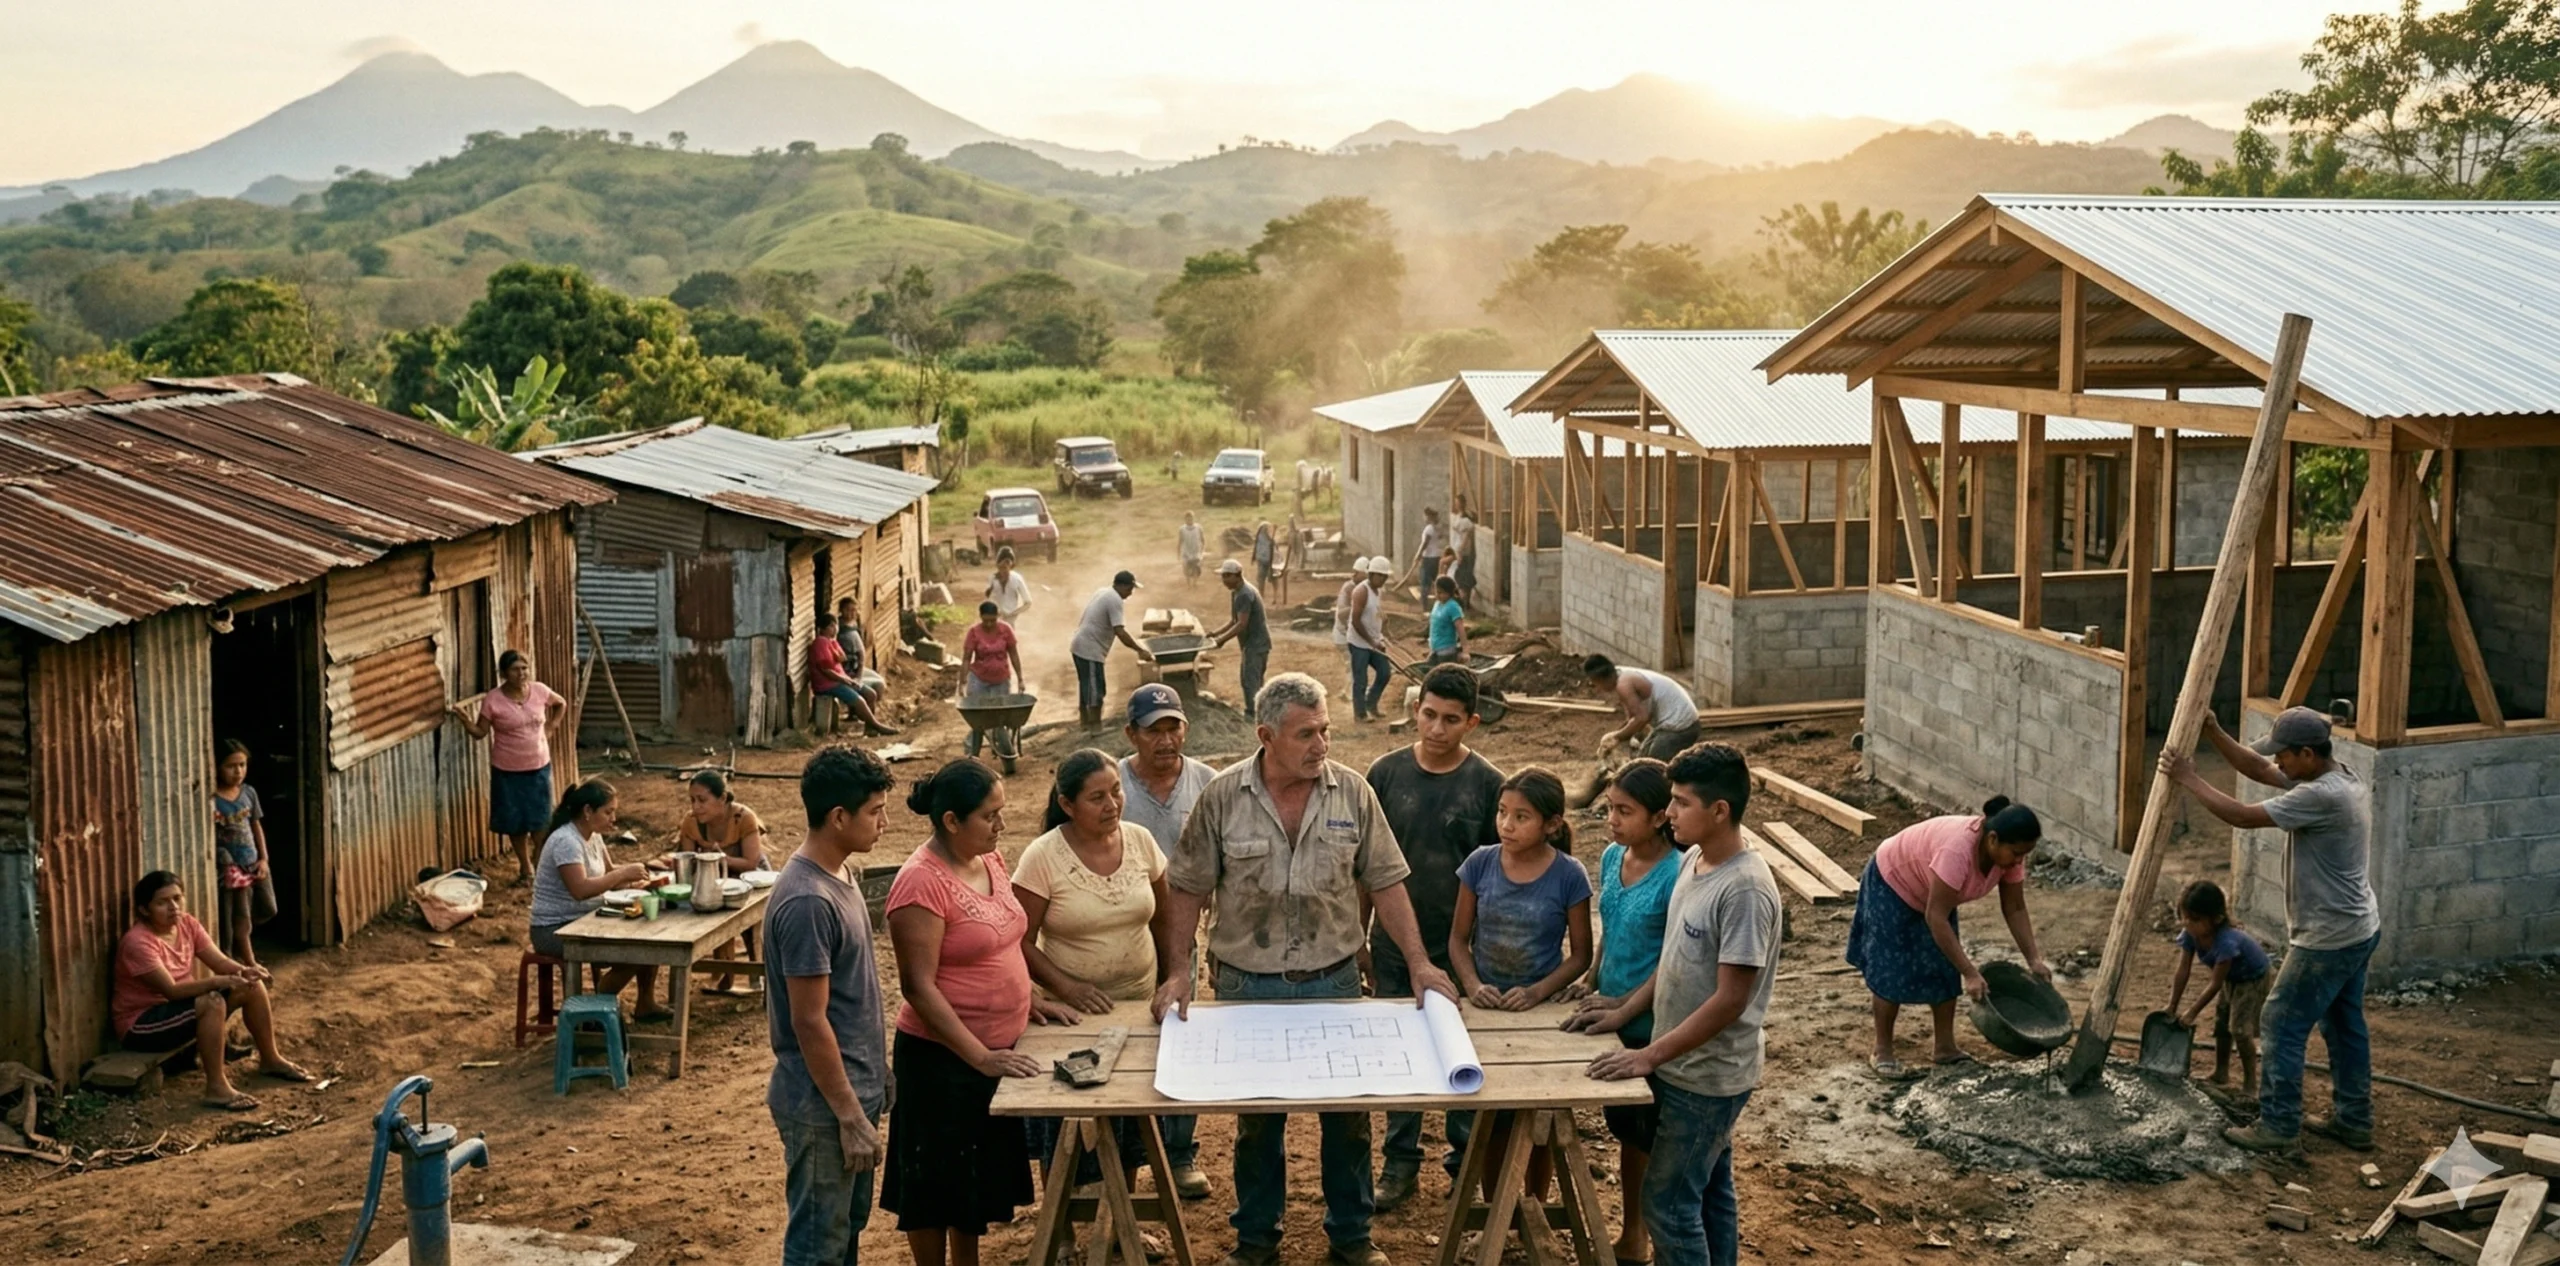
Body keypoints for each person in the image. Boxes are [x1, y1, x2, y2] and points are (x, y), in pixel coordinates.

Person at [1156, 672, 1457, 1266]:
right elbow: (1186, 889)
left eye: (1325, 731)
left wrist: (1419, 963)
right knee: (1257, 1124)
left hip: (1335, 981)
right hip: (1247, 985)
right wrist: (1175, 973)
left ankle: (1352, 1239)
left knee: (1347, 1120)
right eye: (1305, 734)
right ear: (1267, 736)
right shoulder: (1221, 797)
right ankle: (1256, 1242)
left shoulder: (1352, 792)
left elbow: (1388, 881)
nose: (1321, 745)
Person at [1584, 744, 1781, 1266]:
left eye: (1680, 802)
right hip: (1681, 1064)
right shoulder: (1694, 859)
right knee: (1710, 1191)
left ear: (1719, 810)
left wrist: (1649, 1056)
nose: (1669, 813)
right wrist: (1624, 1013)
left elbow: (1730, 1000)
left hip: (1707, 1078)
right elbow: (1672, 959)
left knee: (1668, 1205)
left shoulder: (1744, 889)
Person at [883, 759, 1082, 1266]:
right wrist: (979, 1056)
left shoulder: (988, 861)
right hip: (941, 1060)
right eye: (989, 816)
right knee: (933, 1187)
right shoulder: (919, 884)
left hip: (992, 1052)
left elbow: (1003, 942)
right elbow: (919, 988)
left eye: (1002, 813)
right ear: (951, 821)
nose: (1001, 824)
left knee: (967, 1182)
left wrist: (1028, 999)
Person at [2160, 706, 2378, 1155]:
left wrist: (2188, 778)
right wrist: (2215, 731)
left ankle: (2278, 1127)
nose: (2277, 762)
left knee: (2279, 1021)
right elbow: (2258, 766)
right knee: (2343, 1025)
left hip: (2328, 937)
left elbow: (2240, 814)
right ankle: (2353, 1121)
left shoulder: (2321, 797)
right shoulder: (2339, 776)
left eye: (2285, 755)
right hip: (2358, 926)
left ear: (2307, 754)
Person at [1364, 663, 1503, 1211]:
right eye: (1428, 715)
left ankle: (1463, 1168)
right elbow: (1363, 866)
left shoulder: (1490, 786)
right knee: (1403, 1057)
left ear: (1471, 721)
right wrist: (1359, 937)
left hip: (1463, 948)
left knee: (1461, 1051)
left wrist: (1475, 954)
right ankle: (1399, 1167)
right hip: (1394, 944)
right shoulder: (1385, 775)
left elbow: (1501, 871)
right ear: (1415, 710)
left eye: (1451, 719)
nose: (1437, 729)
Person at [1016, 751, 1177, 1217]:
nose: (1113, 804)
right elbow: (1018, 940)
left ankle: (1119, 1219)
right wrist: (1066, 987)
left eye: (1116, 791)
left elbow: (1165, 920)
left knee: (1128, 1122)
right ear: (1067, 805)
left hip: (1139, 1006)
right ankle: (1061, 1230)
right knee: (1064, 1125)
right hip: (1070, 1017)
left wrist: (1170, 980)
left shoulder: (1142, 841)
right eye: (1097, 797)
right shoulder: (1042, 857)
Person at [767, 745, 899, 1266]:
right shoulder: (807, 901)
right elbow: (809, 1019)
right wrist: (847, 1114)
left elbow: (852, 995)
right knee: (817, 1246)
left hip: (852, 1091)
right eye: (875, 811)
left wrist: (875, 1072)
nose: (884, 823)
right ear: (838, 817)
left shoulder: (842, 876)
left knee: (844, 1234)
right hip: (822, 1107)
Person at [1447, 767, 1591, 1204]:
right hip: (1487, 1012)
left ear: (1552, 825)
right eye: (1502, 812)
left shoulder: (1569, 875)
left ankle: (1535, 1208)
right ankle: (1496, 1213)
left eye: (1521, 817)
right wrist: (1472, 984)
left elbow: (1581, 954)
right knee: (1494, 1120)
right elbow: (1457, 939)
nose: (1507, 825)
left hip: (1540, 1016)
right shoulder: (1481, 863)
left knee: (1540, 1119)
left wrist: (1537, 992)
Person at [1562, 759, 1682, 1266]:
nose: (1612, 819)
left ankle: (1647, 1237)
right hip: (1610, 1012)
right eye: (1610, 808)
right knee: (1626, 1134)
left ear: (1660, 817)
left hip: (1653, 1023)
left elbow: (1673, 962)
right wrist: (1591, 982)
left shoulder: (1679, 872)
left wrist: (1624, 1008)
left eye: (1624, 811)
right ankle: (1633, 1233)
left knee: (1651, 1141)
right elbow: (1611, 926)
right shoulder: (1613, 857)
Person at [1845, 796, 2049, 1078]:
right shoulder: (1957, 852)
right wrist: (1970, 973)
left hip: (1934, 895)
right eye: (2016, 853)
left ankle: (1945, 1048)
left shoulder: (2009, 857)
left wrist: (2034, 959)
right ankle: (1883, 1050)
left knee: (1943, 967)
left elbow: (2014, 907)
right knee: (1890, 970)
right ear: (1992, 840)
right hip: (1892, 882)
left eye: (2024, 854)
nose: (2019, 860)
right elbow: (1935, 916)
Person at [1114, 684, 1216, 1198]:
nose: (1166, 739)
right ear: (1131, 733)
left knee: (1181, 1036)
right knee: (1125, 1039)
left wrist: (1215, 937)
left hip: (1182, 935)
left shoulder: (1208, 784)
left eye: (1173, 727)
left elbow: (1227, 869)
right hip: (1122, 934)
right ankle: (1122, 1156)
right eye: (1154, 729)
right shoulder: (1113, 785)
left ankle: (1179, 1155)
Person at [114, 870, 311, 1111]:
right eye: (162, 902)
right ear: (145, 910)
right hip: (143, 1023)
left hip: (178, 1009)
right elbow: (172, 991)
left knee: (251, 985)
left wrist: (245, 971)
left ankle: (270, 1059)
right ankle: (216, 1088)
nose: (173, 907)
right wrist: (220, 981)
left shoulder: (186, 923)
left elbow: (218, 962)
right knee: (212, 1002)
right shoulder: (138, 943)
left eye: (177, 898)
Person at [529, 779, 665, 1020]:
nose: (614, 818)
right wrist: (622, 874)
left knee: (649, 936)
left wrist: (642, 879)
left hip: (586, 919)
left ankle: (645, 1003)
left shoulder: (593, 835)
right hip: (554, 929)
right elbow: (580, 890)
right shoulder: (566, 841)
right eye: (608, 812)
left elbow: (610, 876)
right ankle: (592, 1007)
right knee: (637, 952)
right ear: (588, 811)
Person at [450, 649, 567, 883]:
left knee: (541, 819)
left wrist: (552, 727)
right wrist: (465, 721)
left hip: (539, 766)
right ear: (504, 673)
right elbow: (480, 733)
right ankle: (525, 868)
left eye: (524, 668)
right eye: (515, 669)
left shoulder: (540, 691)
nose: (521, 673)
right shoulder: (493, 700)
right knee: (516, 822)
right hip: (507, 771)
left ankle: (539, 862)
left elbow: (561, 703)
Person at [2166, 879, 2270, 1107]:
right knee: (2222, 1026)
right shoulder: (2190, 934)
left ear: (2216, 919)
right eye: (2184, 917)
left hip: (2251, 979)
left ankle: (2250, 1085)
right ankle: (2221, 1073)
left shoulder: (2226, 942)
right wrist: (2172, 1005)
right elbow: (2183, 970)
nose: (2187, 924)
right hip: (2231, 979)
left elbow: (2214, 983)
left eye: (2195, 919)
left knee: (2240, 1031)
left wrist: (2192, 1012)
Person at [666, 770, 767, 996]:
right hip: (713, 877)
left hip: (749, 877)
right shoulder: (692, 822)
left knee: (750, 926)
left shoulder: (744, 818)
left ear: (722, 799)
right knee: (709, 915)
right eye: (692, 800)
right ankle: (724, 975)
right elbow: (688, 861)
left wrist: (721, 858)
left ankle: (756, 972)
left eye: (702, 800)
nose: (696, 807)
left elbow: (751, 862)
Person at [212, 738, 270, 970]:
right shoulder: (212, 798)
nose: (238, 771)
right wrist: (224, 861)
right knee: (241, 916)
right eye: (231, 766)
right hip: (234, 869)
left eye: (242, 765)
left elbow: (256, 826)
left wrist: (264, 858)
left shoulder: (248, 793)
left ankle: (241, 947)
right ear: (217, 766)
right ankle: (248, 960)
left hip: (253, 861)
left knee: (267, 907)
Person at [1070, 571, 1151, 729]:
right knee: (1095, 689)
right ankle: (1095, 726)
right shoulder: (1114, 599)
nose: (1130, 593)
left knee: (1087, 686)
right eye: (1129, 589)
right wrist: (1140, 650)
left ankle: (1085, 724)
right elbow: (1120, 631)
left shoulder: (1103, 592)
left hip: (1080, 645)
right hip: (1089, 648)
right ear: (1121, 586)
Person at [1584, 655, 1701, 762]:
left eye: (1595, 684)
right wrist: (1620, 735)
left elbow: (1642, 718)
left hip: (1681, 727)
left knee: (1652, 767)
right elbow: (1633, 718)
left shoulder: (1624, 685)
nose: (1597, 688)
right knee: (1641, 760)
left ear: (1600, 679)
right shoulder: (1620, 675)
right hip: (1670, 725)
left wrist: (1616, 737)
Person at [813, 614, 898, 737]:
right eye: (832, 626)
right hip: (828, 683)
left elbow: (842, 658)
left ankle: (870, 729)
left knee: (871, 694)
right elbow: (826, 670)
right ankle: (877, 726)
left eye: (835, 625)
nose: (835, 628)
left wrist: (846, 678)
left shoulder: (831, 642)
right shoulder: (820, 643)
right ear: (826, 627)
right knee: (860, 701)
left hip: (840, 679)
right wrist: (845, 680)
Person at [959, 602, 1024, 758]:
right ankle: (974, 753)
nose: (989, 624)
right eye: (985, 620)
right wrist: (962, 682)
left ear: (997, 617)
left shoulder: (1005, 630)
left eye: (992, 620)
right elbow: (967, 659)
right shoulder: (974, 632)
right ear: (981, 617)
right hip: (979, 679)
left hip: (1001, 679)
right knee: (978, 719)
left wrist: (1020, 678)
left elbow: (1014, 654)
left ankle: (1003, 747)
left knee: (1000, 717)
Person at [1208, 559, 1272, 710]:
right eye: (1223, 576)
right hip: (1254, 644)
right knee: (1253, 681)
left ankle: (1253, 715)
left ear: (1237, 575)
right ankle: (1258, 712)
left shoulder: (1244, 594)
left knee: (1250, 683)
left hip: (1255, 644)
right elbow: (1234, 620)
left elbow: (1241, 624)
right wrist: (1215, 633)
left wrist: (1221, 640)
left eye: (1227, 576)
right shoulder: (1237, 592)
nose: (1223, 580)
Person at [1343, 556, 1401, 723]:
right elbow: (1355, 621)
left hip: (1374, 641)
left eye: (1385, 577)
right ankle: (1360, 714)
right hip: (1359, 642)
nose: (1383, 580)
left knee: (1384, 673)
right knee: (1360, 679)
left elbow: (1375, 613)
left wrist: (1382, 632)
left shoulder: (1378, 591)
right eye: (1381, 576)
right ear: (1372, 574)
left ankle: (1370, 703)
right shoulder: (1361, 591)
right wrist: (1371, 642)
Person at [1397, 508, 1446, 601]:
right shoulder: (1436, 528)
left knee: (1425, 581)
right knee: (1436, 579)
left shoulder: (1429, 529)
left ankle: (1424, 603)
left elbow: (1425, 543)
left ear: (1428, 517)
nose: (1423, 518)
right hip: (1436, 557)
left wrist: (1418, 554)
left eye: (1425, 516)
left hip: (1428, 557)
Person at [1425, 576, 1466, 665]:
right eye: (1437, 592)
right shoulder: (1437, 604)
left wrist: (1465, 651)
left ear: (1449, 593)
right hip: (1435, 648)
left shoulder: (1453, 606)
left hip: (1446, 651)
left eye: (1442, 593)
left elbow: (1460, 629)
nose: (1438, 595)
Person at [987, 548, 1033, 622]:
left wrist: (1013, 614)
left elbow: (1028, 602)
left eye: (1005, 567)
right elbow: (989, 598)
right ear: (997, 566)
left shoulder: (1017, 579)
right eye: (1000, 567)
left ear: (1011, 566)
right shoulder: (993, 579)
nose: (1003, 571)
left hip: (1011, 621)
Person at [1448, 497, 1477, 607]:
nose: (1456, 505)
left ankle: (1464, 603)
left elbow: (1466, 538)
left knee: (1463, 579)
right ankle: (1463, 602)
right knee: (1459, 577)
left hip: (1463, 553)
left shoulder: (1466, 520)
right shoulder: (1458, 516)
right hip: (1457, 550)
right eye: (1456, 503)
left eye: (1458, 503)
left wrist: (1460, 553)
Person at [1178, 513, 1206, 585]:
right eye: (1188, 519)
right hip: (1186, 551)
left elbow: (1203, 539)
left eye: (1191, 518)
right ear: (1185, 519)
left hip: (1196, 551)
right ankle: (1188, 583)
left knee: (1196, 568)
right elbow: (1180, 541)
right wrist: (1178, 553)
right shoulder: (1182, 529)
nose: (1189, 520)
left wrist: (1202, 550)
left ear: (1193, 518)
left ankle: (1194, 583)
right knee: (1186, 568)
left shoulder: (1198, 528)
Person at [1252, 520, 1277, 589]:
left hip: (1268, 560)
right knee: (1261, 578)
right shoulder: (1259, 538)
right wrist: (1254, 558)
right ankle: (1261, 594)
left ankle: (1275, 595)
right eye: (1265, 528)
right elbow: (1255, 549)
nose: (1266, 530)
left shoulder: (1268, 539)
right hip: (1262, 560)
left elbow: (1273, 545)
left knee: (1271, 578)